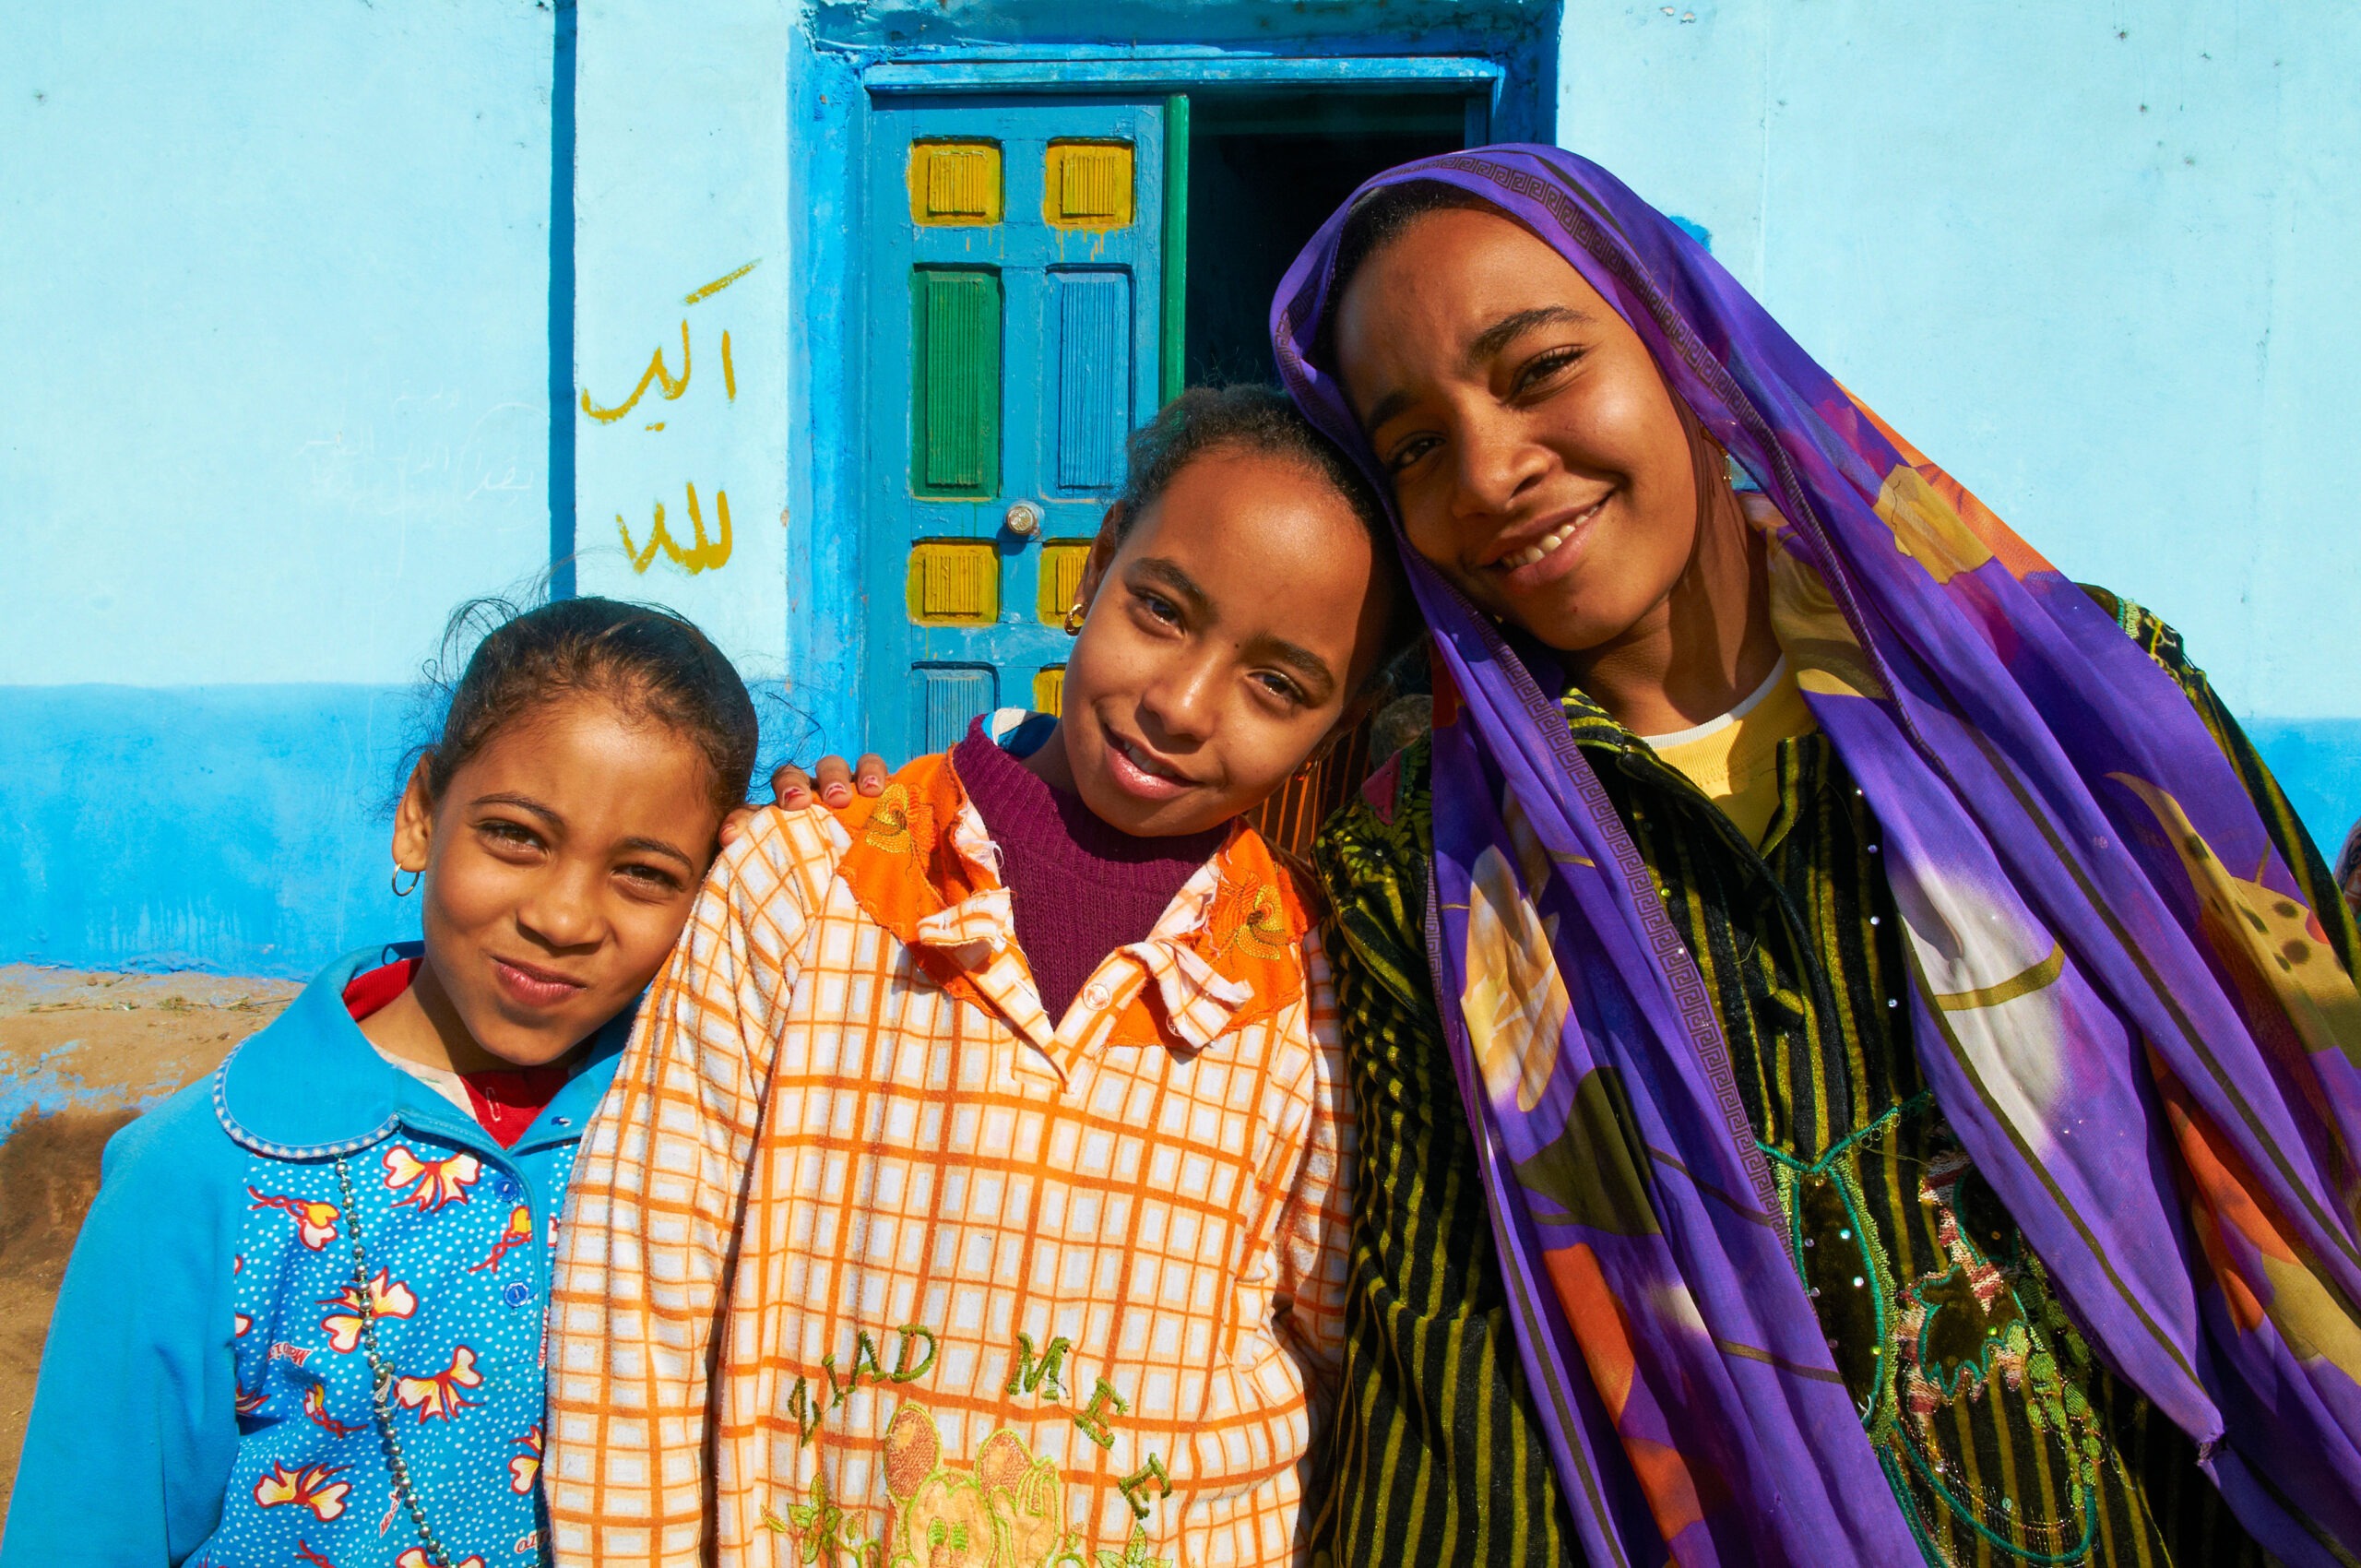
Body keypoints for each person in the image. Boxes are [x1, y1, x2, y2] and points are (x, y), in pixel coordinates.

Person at [1269, 149, 2361, 1568]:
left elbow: (2314, 1135)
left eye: (1538, 367)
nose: (1490, 471)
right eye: (1412, 445)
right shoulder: (1426, 874)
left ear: (1683, 345)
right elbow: (1459, 1374)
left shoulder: (2067, 709)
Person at [541, 386, 1417, 1568]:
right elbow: (637, 1290)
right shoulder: (806, 886)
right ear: (1096, 565)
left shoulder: (1306, 995)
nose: (1180, 702)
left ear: (1340, 721)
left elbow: (1331, 1358)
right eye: (1160, 610)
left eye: (1278, 685)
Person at [1, 596, 760, 1567]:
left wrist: (849, 850)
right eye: (517, 836)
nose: (566, 917)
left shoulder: (708, 1133)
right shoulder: (202, 1176)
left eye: (646, 873)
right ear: (419, 814)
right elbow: (88, 1531)